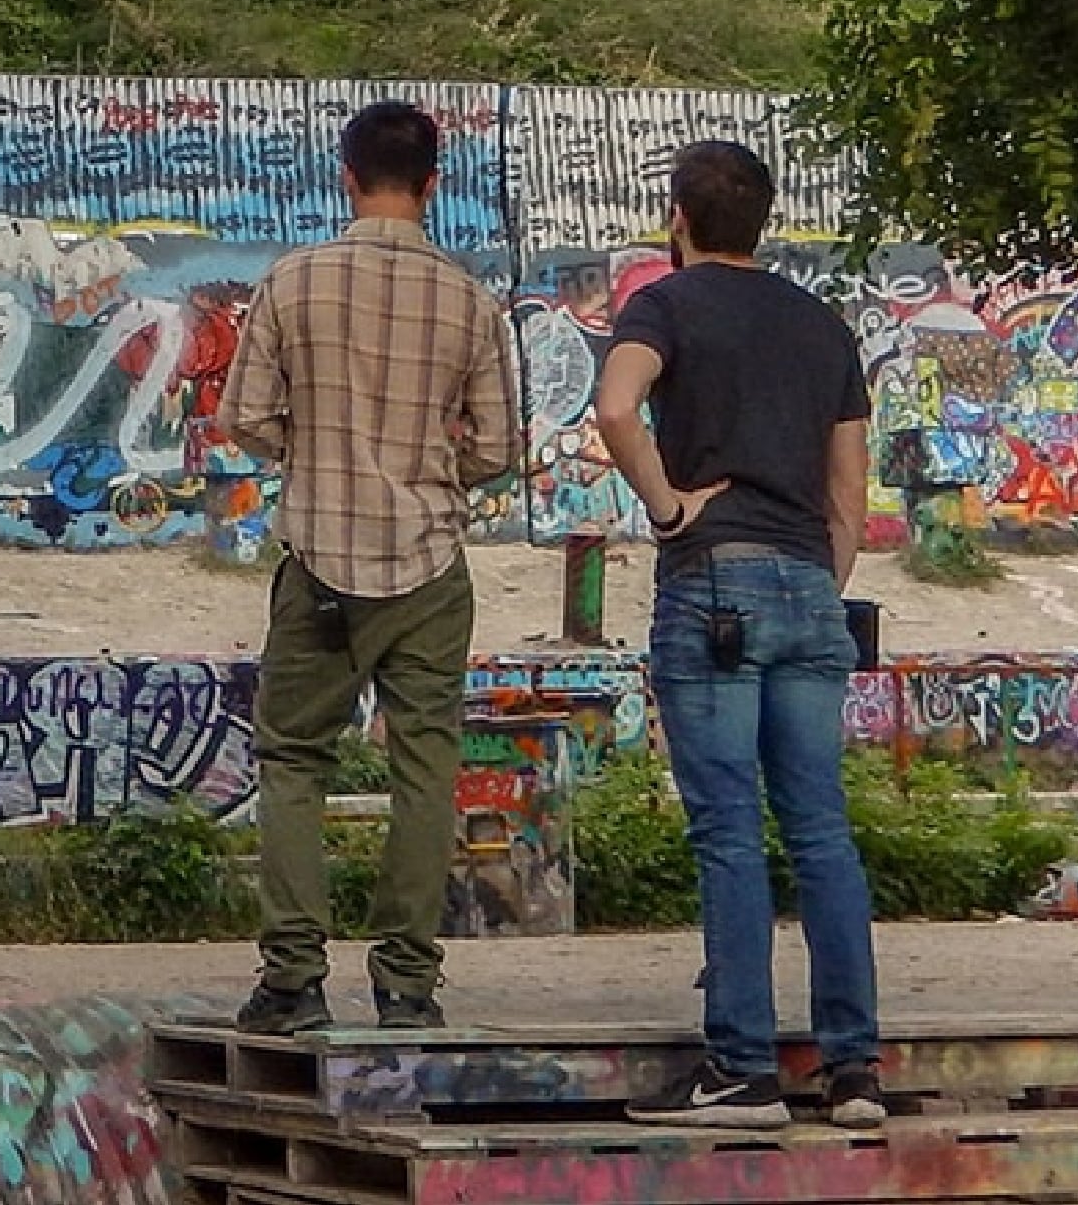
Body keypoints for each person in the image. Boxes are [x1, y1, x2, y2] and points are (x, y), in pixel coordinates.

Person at [590, 138, 884, 1129]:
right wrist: (813, 580)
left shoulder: (663, 306)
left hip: (712, 586)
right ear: (763, 218)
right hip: (810, 582)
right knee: (823, 834)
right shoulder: (821, 325)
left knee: (729, 833)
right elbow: (852, 490)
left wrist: (670, 508)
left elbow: (615, 406)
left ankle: (743, 1071)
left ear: (677, 216)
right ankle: (854, 1075)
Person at [218, 99, 521, 1034]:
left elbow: (248, 420)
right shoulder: (469, 296)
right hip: (430, 564)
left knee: (293, 759)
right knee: (425, 765)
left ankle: (295, 979)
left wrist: (317, 450)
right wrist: (438, 463)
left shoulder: (294, 281)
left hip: (319, 556)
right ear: (434, 185)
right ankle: (405, 985)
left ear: (345, 176)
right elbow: (500, 446)